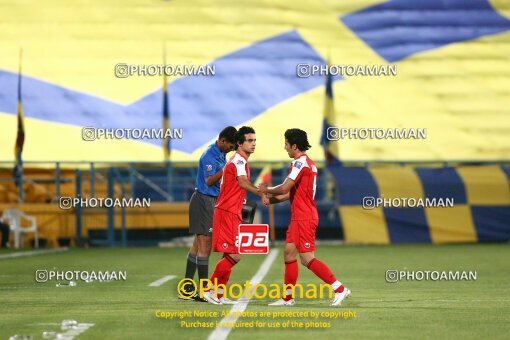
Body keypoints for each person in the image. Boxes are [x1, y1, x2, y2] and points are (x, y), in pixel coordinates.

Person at [260, 128, 351, 307]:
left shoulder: (300, 163)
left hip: (304, 217)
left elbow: (285, 188)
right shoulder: (307, 163)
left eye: (286, 143)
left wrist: (266, 189)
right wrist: (270, 200)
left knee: (307, 258)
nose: (284, 146)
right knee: (288, 253)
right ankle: (287, 298)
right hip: (299, 217)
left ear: (294, 145)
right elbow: (290, 194)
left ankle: (339, 289)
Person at [203, 126, 268, 305]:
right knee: (236, 255)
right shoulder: (238, 160)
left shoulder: (239, 161)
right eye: (249, 140)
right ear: (239, 143)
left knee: (229, 255)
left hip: (232, 211)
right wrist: (260, 192)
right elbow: (242, 182)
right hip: (226, 211)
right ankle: (208, 290)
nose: (253, 144)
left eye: (254, 140)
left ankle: (219, 294)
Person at [179, 126, 237, 301]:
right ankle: (206, 291)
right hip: (204, 200)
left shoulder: (221, 153)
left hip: (209, 200)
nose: (231, 149)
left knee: (197, 245)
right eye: (230, 146)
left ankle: (187, 287)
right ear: (223, 140)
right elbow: (210, 181)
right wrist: (226, 169)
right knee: (205, 246)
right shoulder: (209, 156)